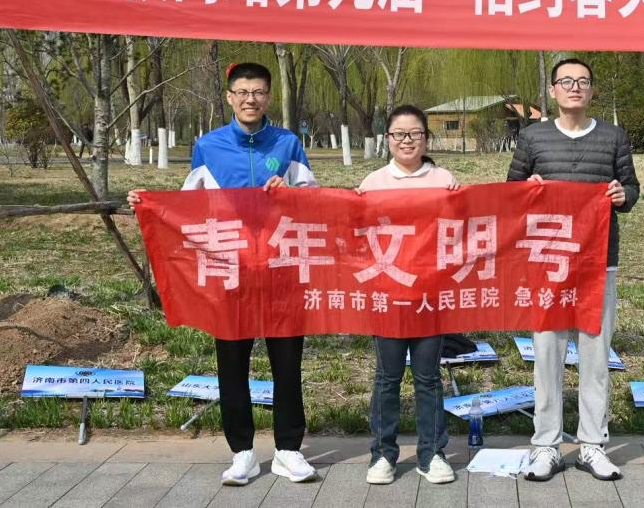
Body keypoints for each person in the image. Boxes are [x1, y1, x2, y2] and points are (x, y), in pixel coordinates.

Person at [128, 62, 318, 487]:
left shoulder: (288, 144)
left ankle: (289, 450)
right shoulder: (208, 146)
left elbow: (315, 200)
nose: (251, 99)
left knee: (287, 364)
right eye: (243, 92)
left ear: (268, 97)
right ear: (230, 97)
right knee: (232, 365)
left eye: (259, 92)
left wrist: (290, 194)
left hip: (281, 270)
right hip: (230, 273)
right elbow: (187, 206)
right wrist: (149, 203)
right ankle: (242, 453)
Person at [507, 57, 639, 483]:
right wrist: (526, 190)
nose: (574, 87)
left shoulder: (613, 137)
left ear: (592, 90)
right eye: (566, 81)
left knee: (595, 355)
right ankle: (545, 444)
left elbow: (632, 187)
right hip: (547, 262)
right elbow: (511, 191)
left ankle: (591, 445)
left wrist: (622, 194)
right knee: (547, 354)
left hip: (598, 262)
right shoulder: (532, 137)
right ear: (552, 91)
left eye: (582, 81)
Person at [357, 105, 459, 486]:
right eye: (398, 134)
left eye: (414, 133)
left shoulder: (443, 179)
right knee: (387, 377)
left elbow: (460, 231)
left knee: (428, 378)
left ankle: (431, 454)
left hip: (429, 298)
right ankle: (383, 454)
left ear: (426, 139)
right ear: (387, 139)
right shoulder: (373, 182)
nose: (406, 141)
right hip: (387, 298)